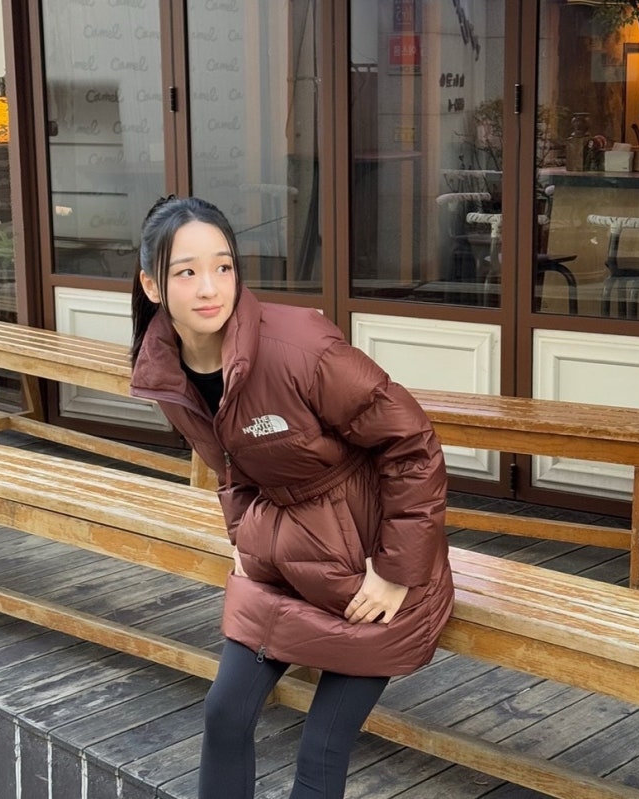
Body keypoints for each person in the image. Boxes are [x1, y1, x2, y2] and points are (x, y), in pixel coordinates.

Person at [130, 195, 454, 799]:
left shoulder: (299, 346)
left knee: (320, 749)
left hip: (370, 562)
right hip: (279, 555)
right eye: (187, 271)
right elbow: (231, 466)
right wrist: (241, 538)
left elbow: (412, 445)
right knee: (225, 717)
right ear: (152, 285)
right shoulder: (168, 370)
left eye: (223, 266)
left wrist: (395, 571)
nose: (210, 287)